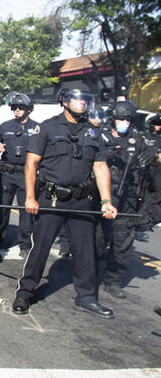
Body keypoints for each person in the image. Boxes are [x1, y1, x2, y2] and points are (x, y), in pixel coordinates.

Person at [13, 84, 118, 318]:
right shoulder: (47, 128)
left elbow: (100, 167)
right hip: (51, 199)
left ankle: (87, 297)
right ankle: (25, 293)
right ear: (64, 101)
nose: (83, 103)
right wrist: (30, 197)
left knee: (85, 251)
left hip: (81, 201)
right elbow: (32, 164)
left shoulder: (92, 133)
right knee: (39, 248)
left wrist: (106, 200)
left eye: (86, 99)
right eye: (78, 99)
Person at [96, 101, 156, 298]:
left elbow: (153, 154)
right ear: (113, 119)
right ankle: (89, 277)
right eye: (121, 119)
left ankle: (113, 280)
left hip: (127, 198)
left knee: (123, 242)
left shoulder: (136, 139)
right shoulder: (100, 136)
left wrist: (150, 157)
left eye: (128, 119)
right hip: (102, 196)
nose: (125, 122)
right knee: (96, 240)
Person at [0, 92, 39, 258]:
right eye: (14, 107)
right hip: (7, 173)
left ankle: (25, 244)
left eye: (21, 108)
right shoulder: (5, 126)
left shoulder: (37, 128)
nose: (17, 110)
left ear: (28, 110)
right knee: (2, 209)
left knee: (27, 212)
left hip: (26, 174)